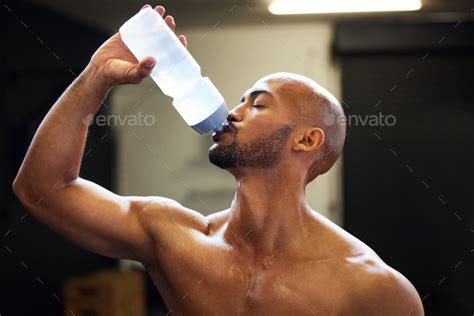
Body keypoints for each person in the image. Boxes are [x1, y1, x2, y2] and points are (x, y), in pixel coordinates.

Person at [13, 4, 424, 315]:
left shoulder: (371, 287)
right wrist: (96, 75)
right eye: (240, 100)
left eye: (258, 105)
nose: (232, 111)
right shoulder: (175, 237)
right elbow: (43, 189)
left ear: (307, 140)